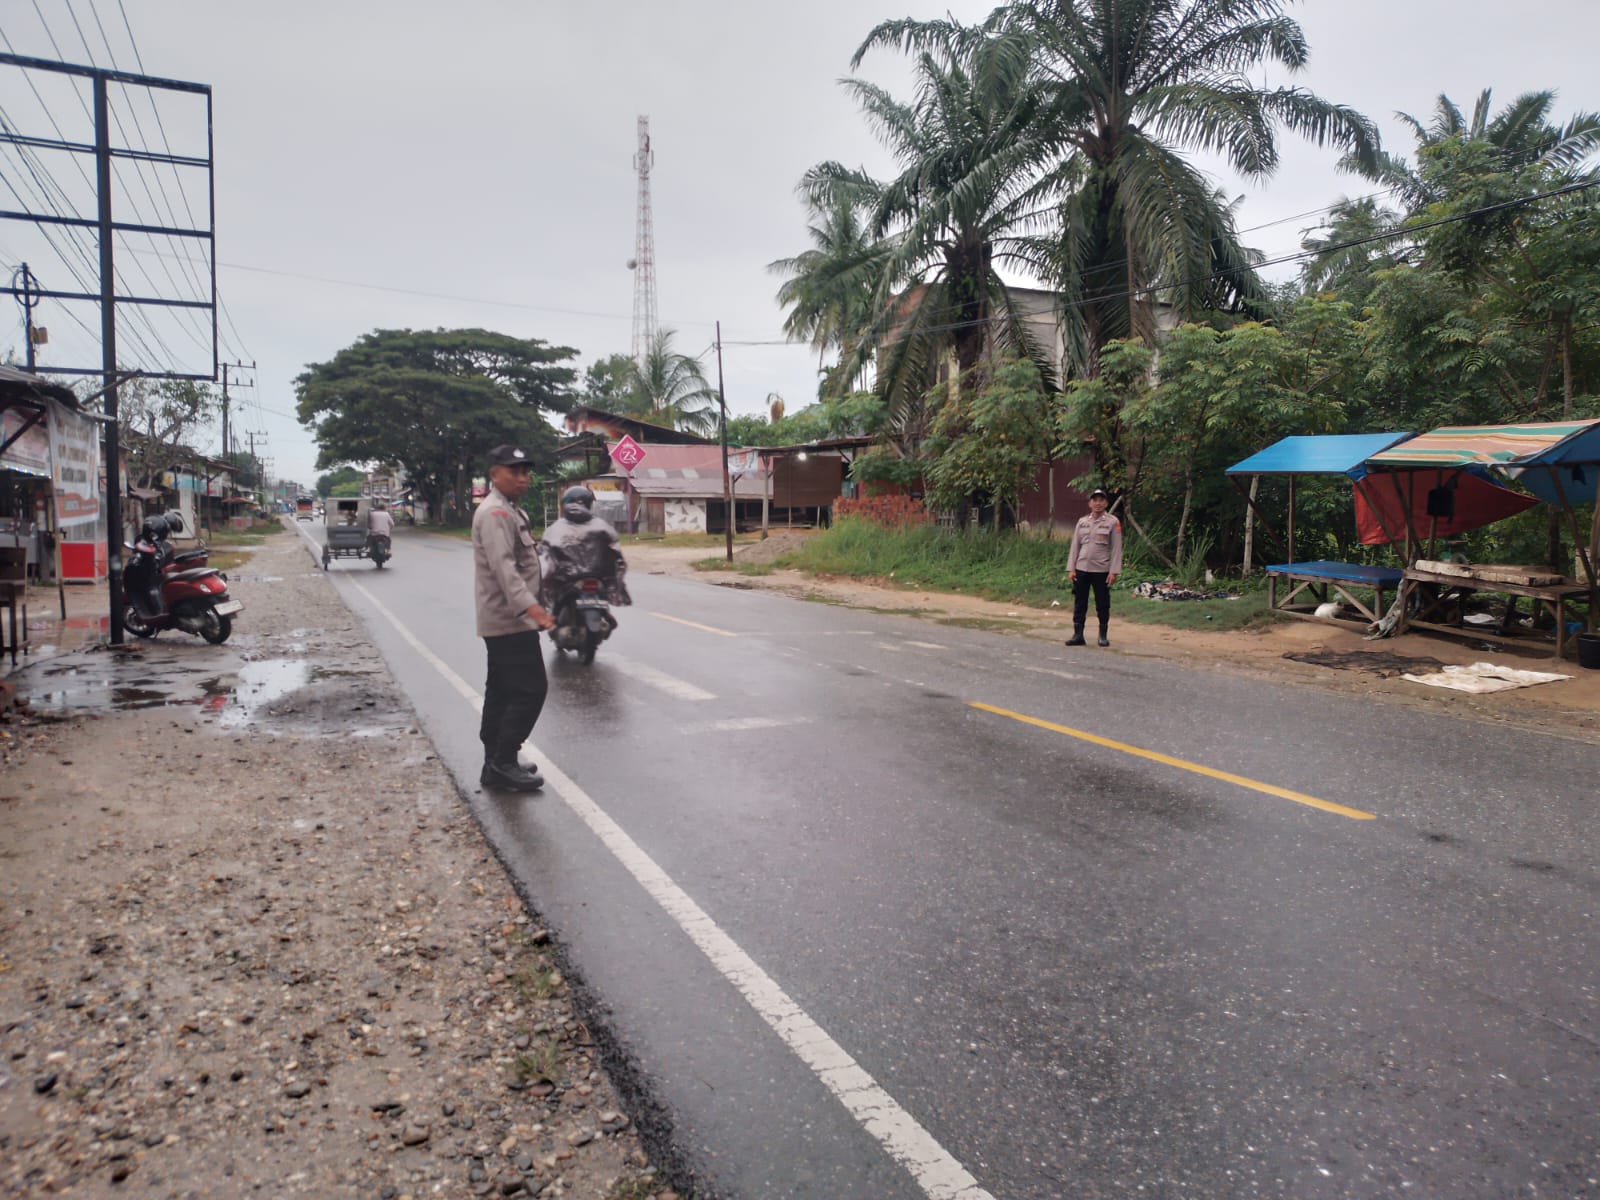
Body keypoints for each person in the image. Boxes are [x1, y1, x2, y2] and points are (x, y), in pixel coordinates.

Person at [472, 445, 556, 792]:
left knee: (503, 691)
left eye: (526, 471)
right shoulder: (496, 514)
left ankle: (495, 762)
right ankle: (504, 760)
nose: (523, 478)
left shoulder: (509, 511)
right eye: (514, 471)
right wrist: (531, 608)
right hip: (510, 621)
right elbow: (504, 569)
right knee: (531, 690)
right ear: (495, 474)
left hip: (506, 619)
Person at [537, 485, 631, 614]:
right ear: (589, 503)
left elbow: (546, 560)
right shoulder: (602, 525)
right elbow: (617, 555)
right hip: (597, 579)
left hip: (568, 581)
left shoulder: (555, 528)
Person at [1065, 487, 1123, 647]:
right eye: (1095, 500)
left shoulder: (1112, 522)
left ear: (1106, 503)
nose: (1098, 503)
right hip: (1082, 568)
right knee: (1080, 602)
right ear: (1090, 503)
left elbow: (1117, 548)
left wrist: (1114, 571)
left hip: (1101, 570)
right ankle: (1078, 635)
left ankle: (1102, 636)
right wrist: (1071, 568)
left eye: (1101, 500)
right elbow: (1075, 545)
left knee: (1102, 603)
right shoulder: (1082, 522)